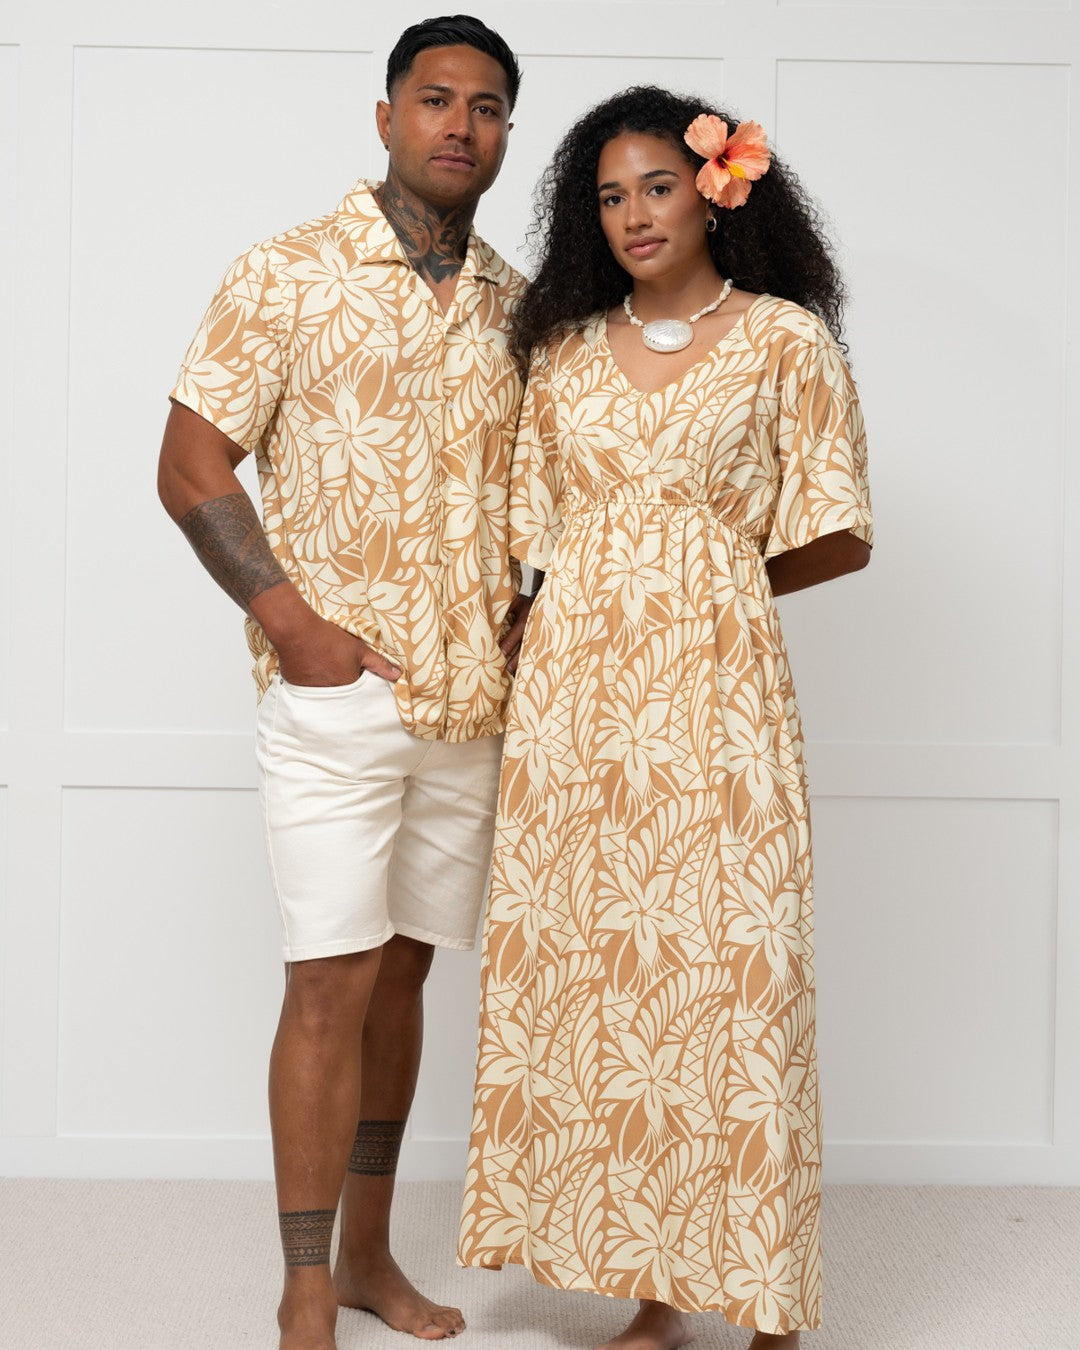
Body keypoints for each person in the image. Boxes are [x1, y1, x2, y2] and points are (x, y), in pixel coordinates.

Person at [458, 86, 872, 1350]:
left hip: (719, 693)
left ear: (716, 188)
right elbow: (535, 537)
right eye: (608, 195)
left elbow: (837, 530)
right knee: (619, 986)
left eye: (657, 185)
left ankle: (767, 1299)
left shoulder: (785, 341)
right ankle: (658, 1288)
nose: (635, 212)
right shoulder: (562, 351)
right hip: (579, 702)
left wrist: (712, 581)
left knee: (736, 975)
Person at [157, 15, 528, 1349]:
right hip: (336, 695)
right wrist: (293, 623)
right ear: (383, 116)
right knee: (329, 975)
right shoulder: (287, 271)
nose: (459, 125)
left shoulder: (514, 301)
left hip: (472, 708)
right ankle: (304, 1279)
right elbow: (192, 462)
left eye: (486, 107)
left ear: (504, 135)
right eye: (435, 99)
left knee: (408, 973)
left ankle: (370, 1256)